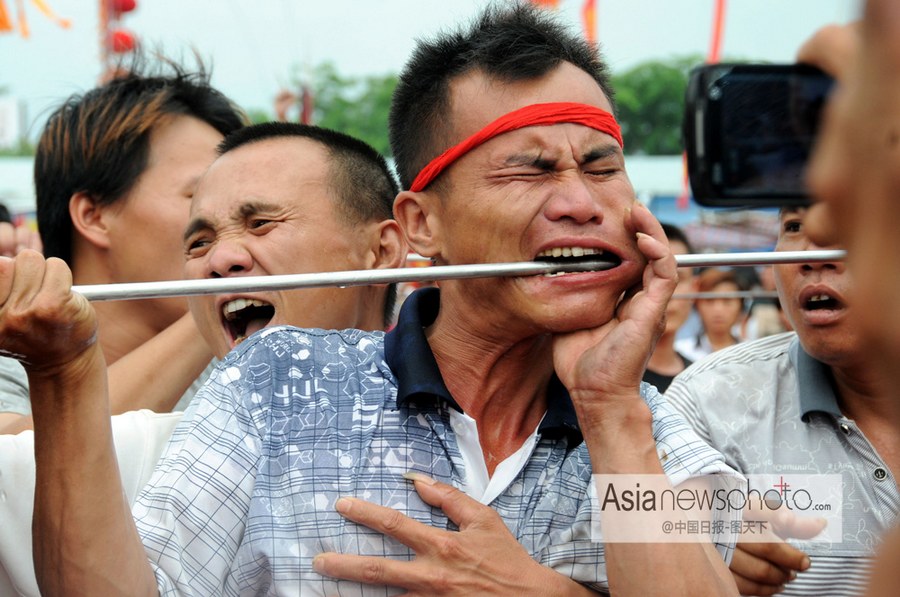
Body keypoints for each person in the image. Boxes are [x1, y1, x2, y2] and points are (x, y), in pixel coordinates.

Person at [12, 5, 739, 596]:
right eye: (531, 169)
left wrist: (610, 412)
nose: (582, 202)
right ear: (421, 224)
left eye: (601, 165)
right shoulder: (277, 382)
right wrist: (64, 373)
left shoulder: (650, 428)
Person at [0, 120, 407, 596]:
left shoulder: (475, 421)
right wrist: (64, 369)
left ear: (382, 251)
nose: (220, 258)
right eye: (198, 242)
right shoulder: (160, 445)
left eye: (261, 224)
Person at [0, 59, 247, 434]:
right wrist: (219, 300)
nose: (235, 233)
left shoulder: (240, 366)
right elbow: (20, 463)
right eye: (199, 195)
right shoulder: (11, 361)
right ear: (94, 216)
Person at [666, 207, 898, 596]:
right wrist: (680, 542)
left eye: (849, 217)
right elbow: (610, 524)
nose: (814, 254)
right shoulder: (708, 401)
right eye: (794, 226)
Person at [797, 5, 900, 595]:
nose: (818, 237)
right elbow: (626, 513)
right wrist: (719, 524)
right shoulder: (713, 394)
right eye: (790, 226)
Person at [642, 222, 697, 392]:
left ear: (695, 288)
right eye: (655, 275)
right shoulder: (607, 378)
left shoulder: (699, 379)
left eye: (678, 278)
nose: (668, 292)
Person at [675, 268, 746, 362]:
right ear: (697, 305)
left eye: (727, 301)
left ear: (740, 306)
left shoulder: (752, 354)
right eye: (709, 300)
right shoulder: (681, 351)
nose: (718, 310)